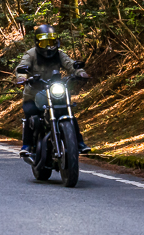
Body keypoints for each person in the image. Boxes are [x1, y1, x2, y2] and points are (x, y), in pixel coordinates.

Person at [15, 23, 91, 156]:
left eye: (51, 42)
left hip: (54, 92)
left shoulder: (59, 54)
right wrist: (22, 77)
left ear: (57, 42)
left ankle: (79, 142)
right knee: (31, 114)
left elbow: (70, 64)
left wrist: (80, 72)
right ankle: (27, 145)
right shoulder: (31, 54)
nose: (48, 46)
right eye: (44, 43)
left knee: (69, 114)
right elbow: (22, 66)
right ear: (37, 43)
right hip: (34, 93)